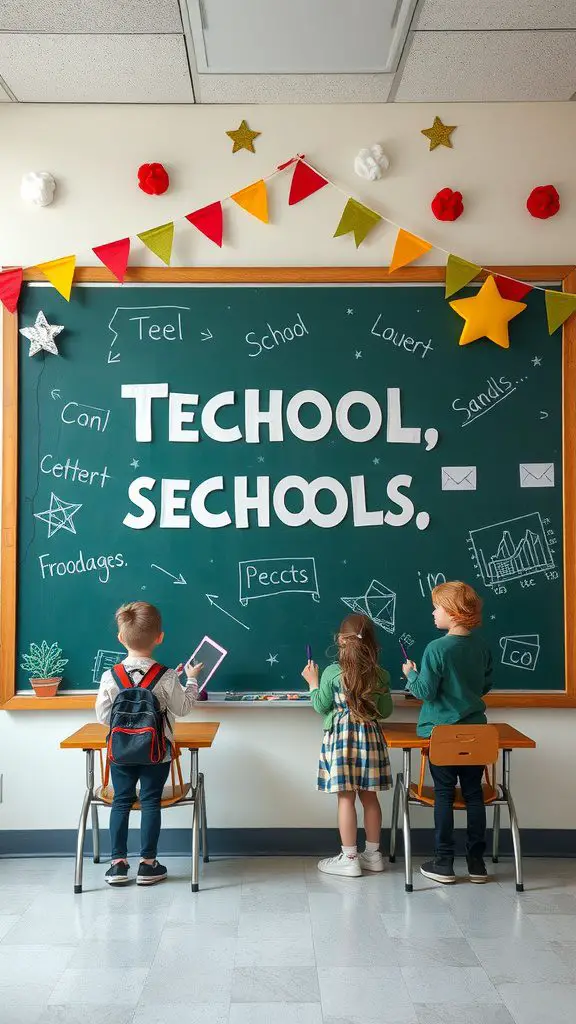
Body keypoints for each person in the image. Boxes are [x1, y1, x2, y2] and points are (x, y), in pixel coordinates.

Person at [95, 601, 202, 886]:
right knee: (151, 801)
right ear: (159, 637)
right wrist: (191, 681)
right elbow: (183, 708)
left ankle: (117, 865)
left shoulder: (109, 676)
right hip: (157, 753)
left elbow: (104, 717)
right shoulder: (167, 676)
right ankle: (148, 864)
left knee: (121, 801)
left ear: (120, 637)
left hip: (120, 753)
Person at [403, 581, 493, 885]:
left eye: (437, 608)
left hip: (442, 734)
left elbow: (425, 692)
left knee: (443, 794)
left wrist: (411, 674)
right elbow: (485, 685)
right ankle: (477, 864)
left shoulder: (437, 648)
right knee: (473, 794)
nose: (433, 613)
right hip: (476, 733)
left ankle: (444, 862)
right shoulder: (482, 646)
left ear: (453, 613)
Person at [302, 613, 393, 877]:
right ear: (371, 643)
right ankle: (373, 856)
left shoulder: (332, 673)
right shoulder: (380, 675)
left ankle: (350, 857)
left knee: (345, 797)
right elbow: (385, 711)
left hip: (341, 740)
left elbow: (321, 706)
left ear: (341, 640)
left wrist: (313, 683)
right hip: (369, 738)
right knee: (370, 797)